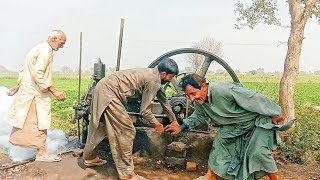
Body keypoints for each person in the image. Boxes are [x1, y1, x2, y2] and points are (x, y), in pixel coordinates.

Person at [165, 73, 295, 180]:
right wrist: (181, 127)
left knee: (258, 152)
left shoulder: (224, 90)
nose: (192, 99)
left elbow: (253, 98)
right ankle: (210, 176)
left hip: (256, 122)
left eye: (193, 93)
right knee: (220, 145)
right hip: (233, 127)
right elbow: (199, 116)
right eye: (188, 96)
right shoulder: (200, 102)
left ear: (203, 86)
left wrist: (275, 112)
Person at [83, 58, 179, 180]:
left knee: (99, 126)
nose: (171, 80)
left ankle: (90, 158)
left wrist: (173, 120)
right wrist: (157, 124)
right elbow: (145, 111)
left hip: (103, 87)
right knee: (126, 131)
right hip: (110, 93)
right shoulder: (153, 80)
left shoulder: (153, 74)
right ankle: (127, 175)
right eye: (171, 77)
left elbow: (163, 99)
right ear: (164, 74)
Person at [5, 30, 67, 162]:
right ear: (54, 38)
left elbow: (24, 69)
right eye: (62, 43)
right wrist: (54, 90)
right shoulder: (46, 50)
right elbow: (37, 73)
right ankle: (41, 153)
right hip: (35, 94)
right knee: (39, 123)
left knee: (30, 122)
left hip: (29, 92)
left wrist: (18, 85)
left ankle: (39, 150)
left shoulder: (38, 48)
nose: (62, 46)